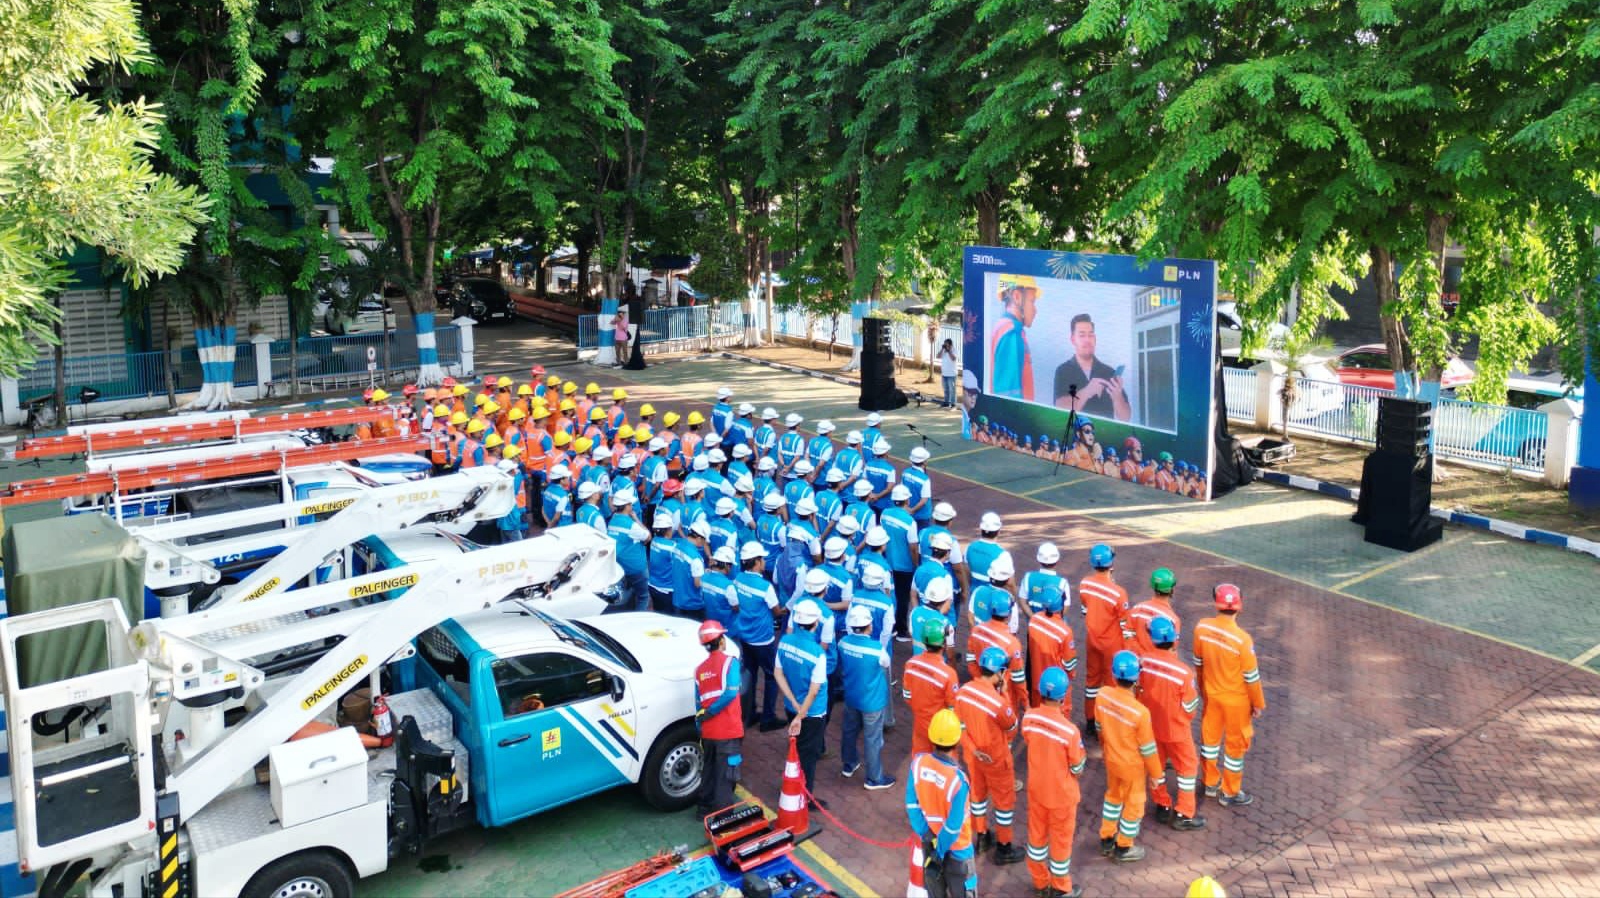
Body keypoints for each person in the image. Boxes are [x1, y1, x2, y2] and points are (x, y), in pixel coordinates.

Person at [1194, 583, 1266, 807]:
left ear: (1216, 604)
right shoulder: (1242, 640)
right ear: (1239, 607)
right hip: (1236, 702)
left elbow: (1199, 664)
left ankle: (1210, 782)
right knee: (1235, 748)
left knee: (1210, 742)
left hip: (1212, 695)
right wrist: (1258, 703)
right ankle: (1230, 791)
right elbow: (1251, 678)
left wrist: (1203, 689)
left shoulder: (1202, 628)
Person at [1022, 666, 1088, 898]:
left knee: (1037, 837)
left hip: (1037, 790)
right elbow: (1077, 767)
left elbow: (1028, 738)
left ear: (1040, 692)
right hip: (1061, 795)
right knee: (1060, 842)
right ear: (1062, 697)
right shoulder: (1069, 731)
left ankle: (1040, 882)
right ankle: (1061, 888)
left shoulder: (1029, 717)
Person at [955, 646, 1024, 866]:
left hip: (974, 757)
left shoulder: (963, 692)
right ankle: (1004, 848)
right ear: (1000, 673)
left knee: (977, 796)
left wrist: (973, 749)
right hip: (996, 759)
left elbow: (959, 725)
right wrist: (1003, 692)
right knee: (1004, 802)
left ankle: (982, 836)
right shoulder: (999, 703)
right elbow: (1012, 727)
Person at [1138, 616, 1206, 831]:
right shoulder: (1184, 673)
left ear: (1152, 638)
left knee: (1156, 767)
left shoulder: (1142, 662)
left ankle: (1162, 804)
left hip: (1150, 727)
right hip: (1176, 729)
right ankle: (1184, 813)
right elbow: (1190, 705)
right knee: (1187, 767)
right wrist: (1181, 721)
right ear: (1174, 640)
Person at [1097, 650, 1164, 864]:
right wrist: (1157, 774)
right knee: (1134, 804)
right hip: (1132, 766)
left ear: (1114, 674)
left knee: (1113, 798)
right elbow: (1148, 749)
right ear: (1136, 678)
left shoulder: (1102, 695)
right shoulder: (1140, 712)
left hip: (1111, 760)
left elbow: (1100, 727)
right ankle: (1124, 846)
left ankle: (1107, 837)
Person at [907, 708, 977, 898]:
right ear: (956, 741)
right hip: (958, 853)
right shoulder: (958, 781)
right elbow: (954, 827)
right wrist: (940, 850)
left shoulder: (918, 764)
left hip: (930, 845)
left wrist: (927, 834)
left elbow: (912, 806)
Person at [774, 599, 830, 807]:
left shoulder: (784, 642)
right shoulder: (818, 653)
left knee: (796, 750)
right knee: (809, 755)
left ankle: (792, 785)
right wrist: (802, 714)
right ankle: (805, 796)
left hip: (792, 708)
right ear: (815, 623)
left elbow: (778, 674)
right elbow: (814, 690)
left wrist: (794, 705)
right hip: (812, 713)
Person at [838, 605, 895, 790]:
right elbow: (886, 664)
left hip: (851, 696)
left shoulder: (843, 643)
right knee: (872, 739)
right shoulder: (877, 649)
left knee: (849, 731)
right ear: (869, 625)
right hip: (872, 701)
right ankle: (874, 778)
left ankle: (849, 764)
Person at [1079, 543, 1130, 739]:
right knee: (1111, 684)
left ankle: (1090, 720)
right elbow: (1124, 624)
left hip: (1093, 640)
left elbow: (1085, 610)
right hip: (1112, 645)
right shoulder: (1118, 592)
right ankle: (1108, 723)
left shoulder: (1085, 584)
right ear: (1111, 564)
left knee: (1092, 682)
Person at [694, 620, 745, 816]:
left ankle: (703, 808)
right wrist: (713, 711)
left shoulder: (699, 670)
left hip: (708, 731)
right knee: (726, 776)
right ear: (721, 640)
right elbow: (732, 693)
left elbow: (698, 702)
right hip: (728, 731)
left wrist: (702, 723)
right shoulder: (730, 663)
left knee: (708, 770)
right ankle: (723, 818)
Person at [733, 542, 784, 731]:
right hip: (763, 639)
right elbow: (776, 611)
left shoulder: (738, 579)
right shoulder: (765, 587)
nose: (764, 562)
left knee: (751, 674)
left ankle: (750, 712)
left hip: (745, 636)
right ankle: (768, 717)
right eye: (762, 559)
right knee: (771, 676)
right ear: (756, 562)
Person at [1053, 313, 1131, 421]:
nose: (1087, 339)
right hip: (1075, 436)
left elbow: (1126, 417)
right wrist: (1086, 392)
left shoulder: (1109, 372)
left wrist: (1117, 397)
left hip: (1104, 436)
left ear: (1095, 338)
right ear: (1073, 339)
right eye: (1082, 335)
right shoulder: (1063, 371)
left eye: (1090, 335)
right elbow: (1060, 410)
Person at [903, 618, 959, 755]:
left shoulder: (911, 664)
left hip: (920, 722)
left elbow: (907, 696)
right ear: (944, 644)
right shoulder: (948, 674)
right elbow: (954, 708)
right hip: (942, 728)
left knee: (919, 759)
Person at [880, 485, 920, 640]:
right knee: (903, 598)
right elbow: (913, 548)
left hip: (888, 562)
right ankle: (901, 630)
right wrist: (916, 564)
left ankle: (890, 625)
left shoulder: (885, 514)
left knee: (891, 594)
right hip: (905, 566)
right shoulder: (910, 522)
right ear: (907, 500)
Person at [1027, 585, 1077, 708]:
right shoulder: (1065, 632)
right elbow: (1069, 664)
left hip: (1037, 682)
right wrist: (1071, 676)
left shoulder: (1034, 620)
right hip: (1057, 684)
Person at [989, 275, 1038, 401]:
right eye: (1032, 301)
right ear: (1017, 297)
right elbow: (1009, 394)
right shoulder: (1012, 332)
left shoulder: (1005, 327)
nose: (1035, 310)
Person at [607, 488, 651, 611]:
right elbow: (648, 536)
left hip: (621, 566)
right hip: (636, 568)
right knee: (644, 597)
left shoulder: (612, 520)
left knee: (628, 595)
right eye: (630, 504)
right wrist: (636, 518)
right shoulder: (631, 525)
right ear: (626, 506)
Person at [1130, 567, 1181, 657]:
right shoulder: (1173, 620)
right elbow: (1172, 647)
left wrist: (1138, 651)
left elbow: (1126, 633)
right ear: (1171, 590)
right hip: (1155, 666)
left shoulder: (1137, 609)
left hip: (1135, 662)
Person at [937, 338, 959, 407]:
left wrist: (949, 351)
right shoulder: (943, 351)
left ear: (950, 345)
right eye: (945, 344)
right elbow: (938, 356)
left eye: (947, 345)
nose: (945, 346)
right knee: (946, 389)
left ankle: (953, 403)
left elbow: (953, 358)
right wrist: (942, 349)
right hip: (944, 373)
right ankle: (946, 402)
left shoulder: (954, 350)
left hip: (952, 374)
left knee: (952, 390)